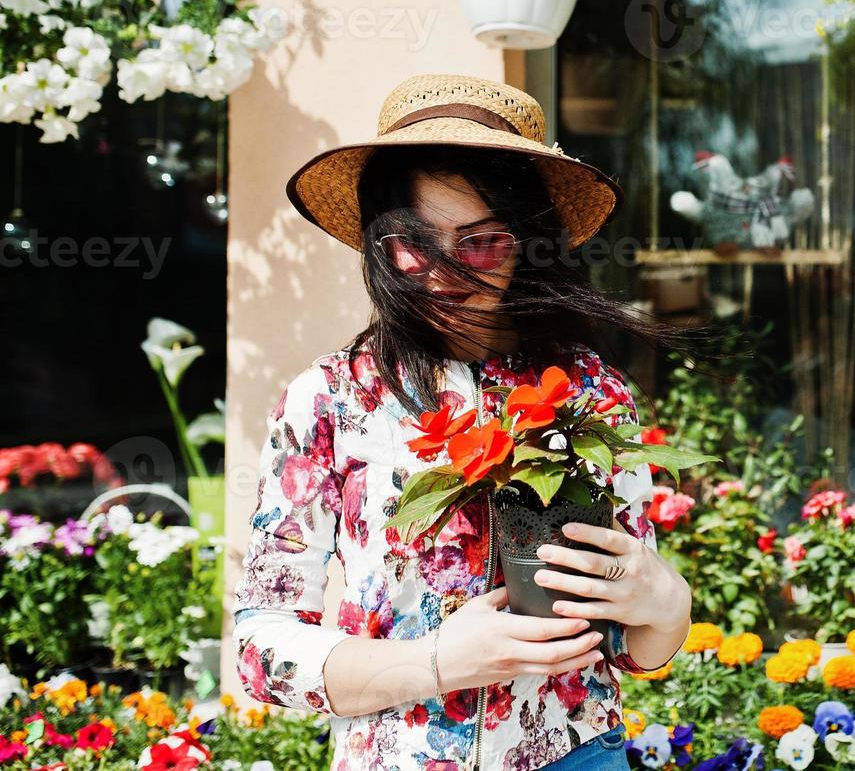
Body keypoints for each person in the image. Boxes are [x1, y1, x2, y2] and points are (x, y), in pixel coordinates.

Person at [232, 74, 692, 771]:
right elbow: (260, 648)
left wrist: (665, 599)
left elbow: (626, 644)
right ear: (378, 245)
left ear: (526, 243)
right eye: (412, 242)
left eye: (478, 242)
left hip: (574, 755)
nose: (444, 272)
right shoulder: (327, 399)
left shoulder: (589, 390)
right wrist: (435, 662)